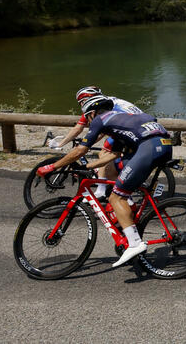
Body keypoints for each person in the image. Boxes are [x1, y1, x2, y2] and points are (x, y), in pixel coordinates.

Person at [36, 94, 173, 267]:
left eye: (87, 117)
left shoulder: (100, 120)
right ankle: (129, 211)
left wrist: (52, 167)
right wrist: (87, 168)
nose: (88, 121)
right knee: (114, 169)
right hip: (162, 145)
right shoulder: (119, 122)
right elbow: (113, 155)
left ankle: (134, 243)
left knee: (117, 196)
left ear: (92, 113)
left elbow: (80, 151)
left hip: (149, 148)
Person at [51, 86, 143, 199]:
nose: (81, 105)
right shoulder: (102, 104)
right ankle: (114, 185)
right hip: (139, 128)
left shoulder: (98, 107)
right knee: (109, 157)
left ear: (88, 98)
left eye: (81, 101)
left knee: (105, 153)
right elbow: (83, 129)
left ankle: (102, 190)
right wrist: (66, 143)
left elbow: (90, 130)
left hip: (135, 131)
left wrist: (81, 144)